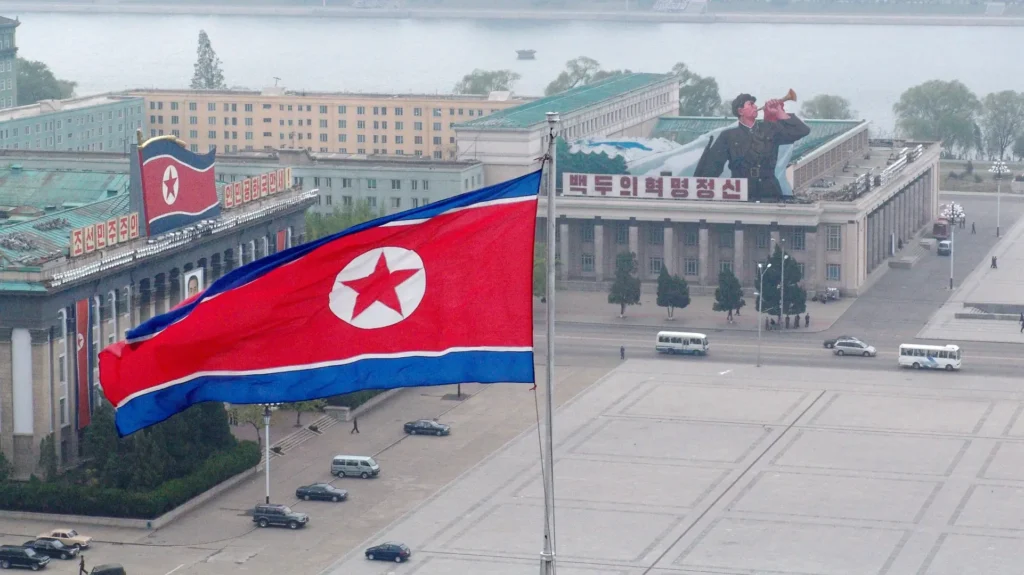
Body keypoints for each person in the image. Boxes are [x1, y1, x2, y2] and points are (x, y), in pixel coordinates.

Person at [694, 93, 811, 202]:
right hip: (740, 191)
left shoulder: (769, 128)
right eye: (750, 104)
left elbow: (802, 131)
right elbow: (713, 166)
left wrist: (779, 112)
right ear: (740, 111)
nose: (755, 107)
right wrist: (700, 191)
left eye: (755, 104)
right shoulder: (728, 136)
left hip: (769, 191)